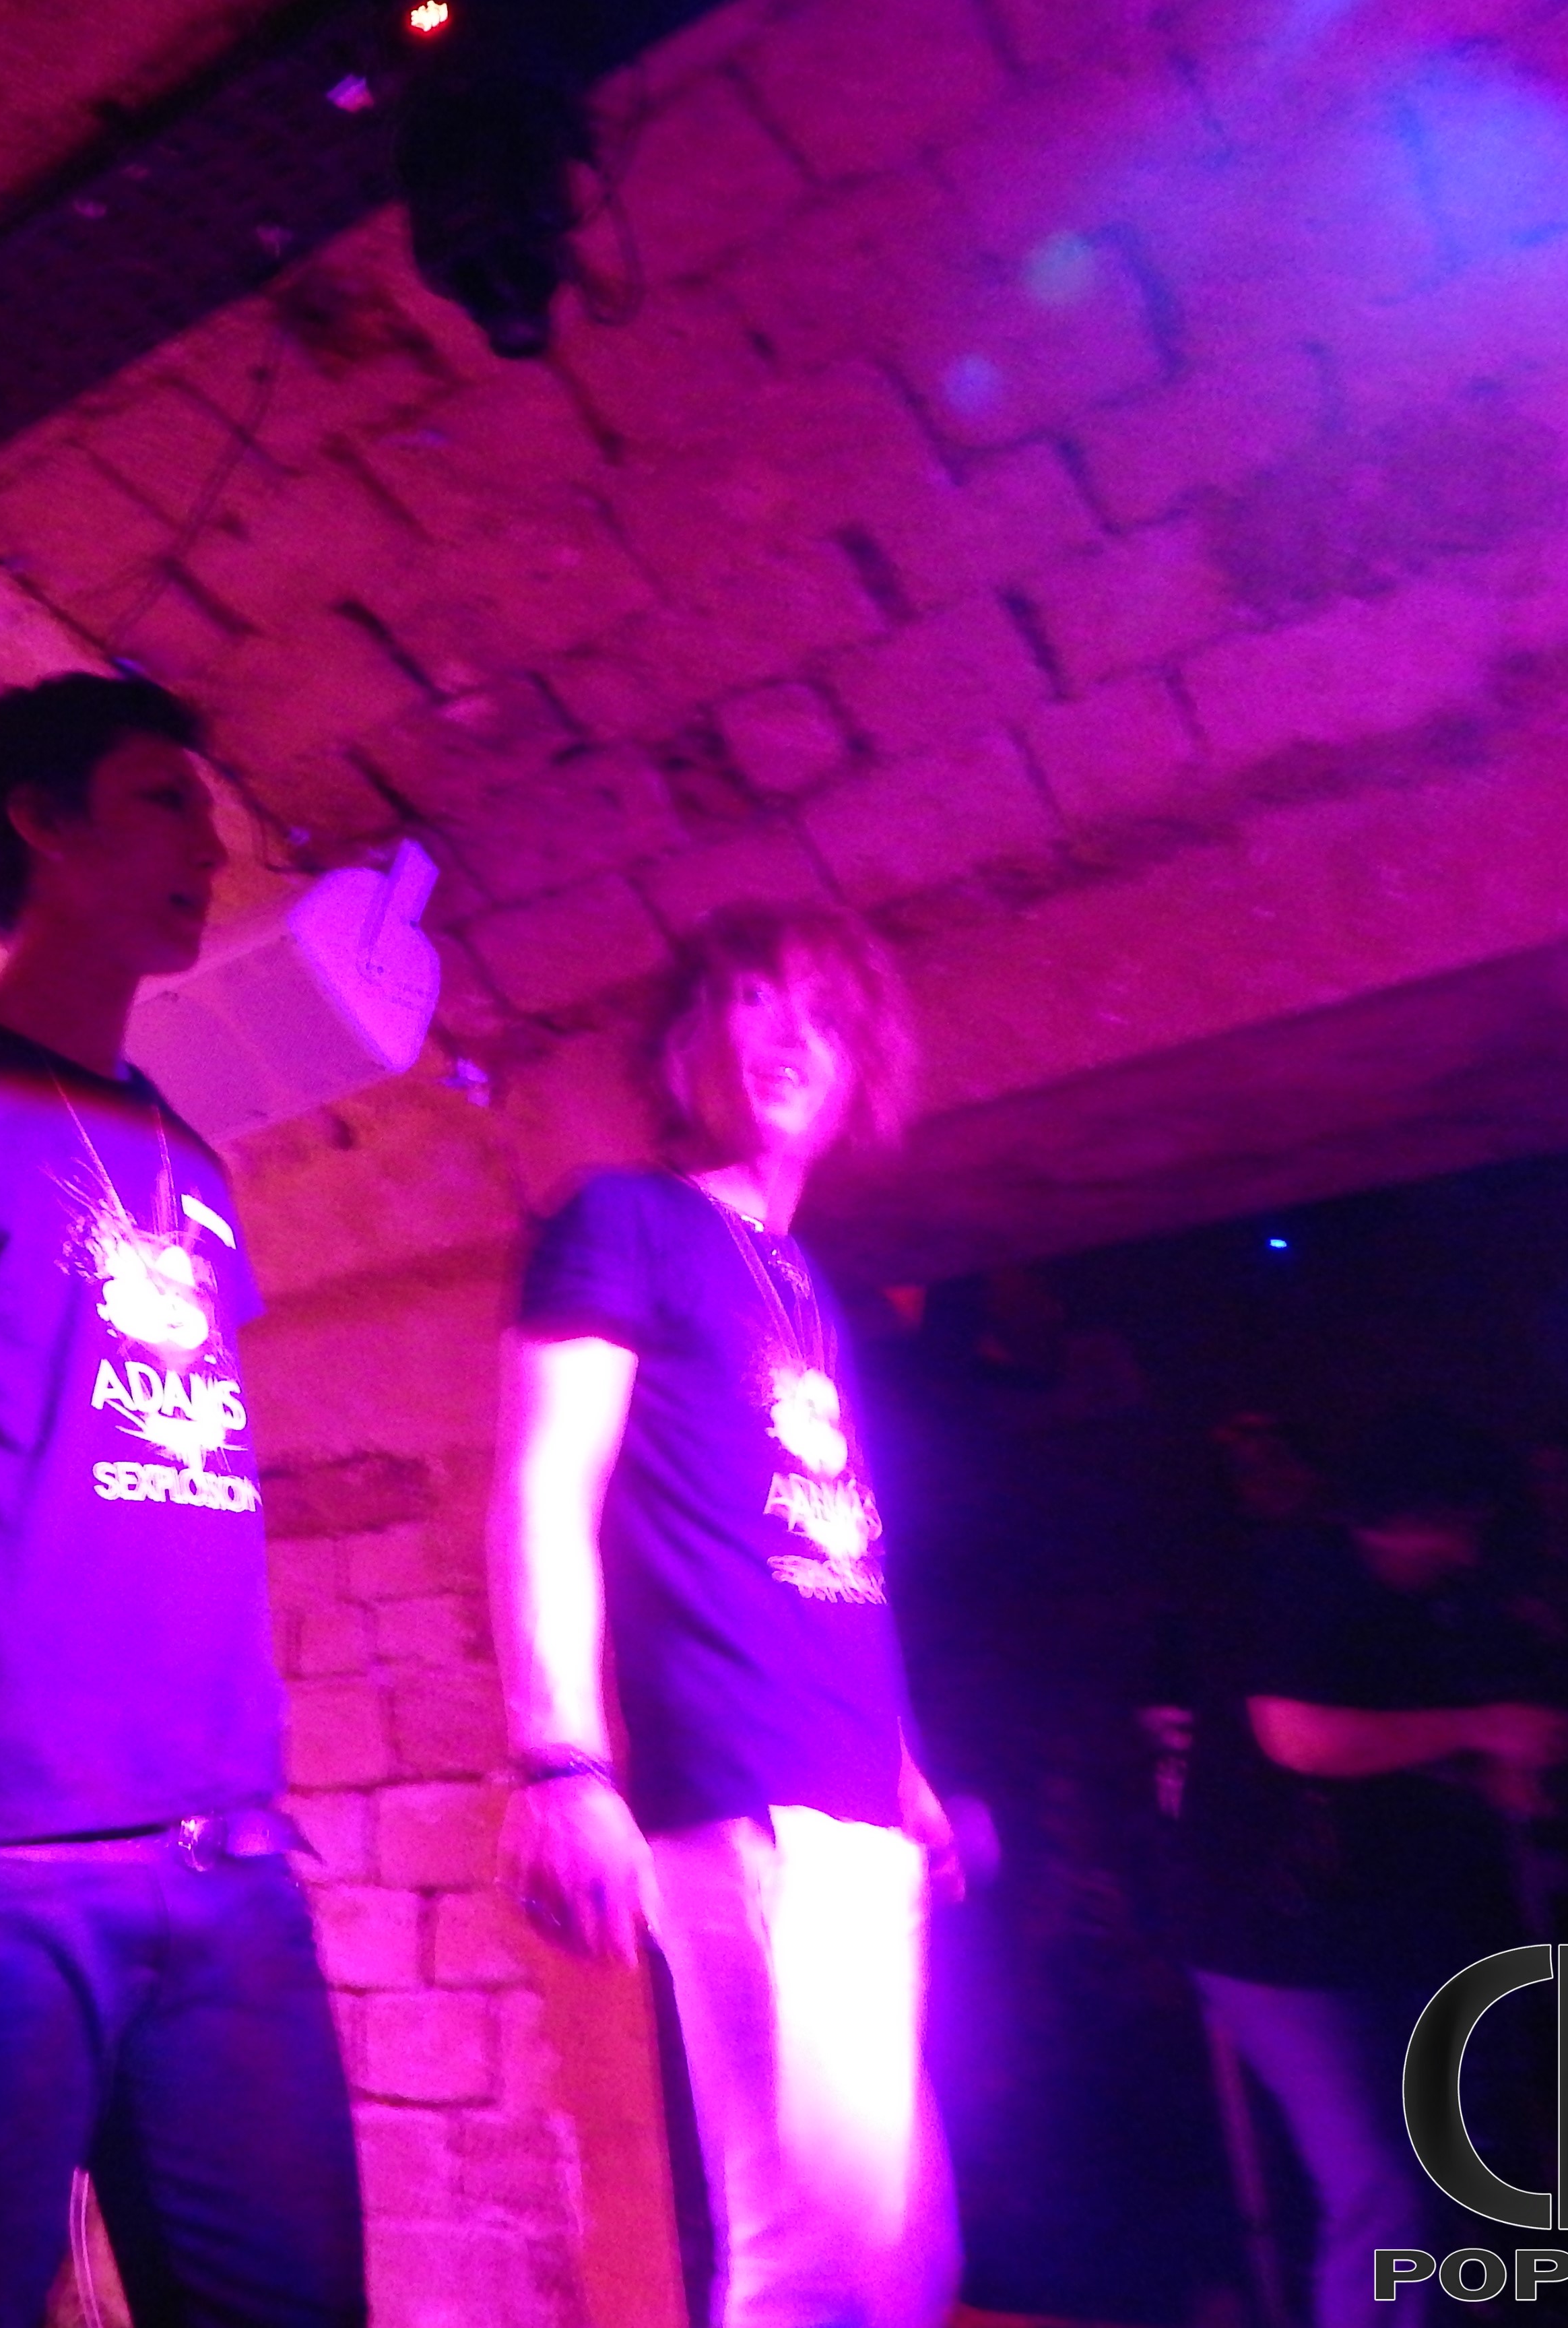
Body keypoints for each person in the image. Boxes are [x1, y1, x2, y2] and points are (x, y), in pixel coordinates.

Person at [0, 674, 366, 2327]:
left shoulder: (196, 1164)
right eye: (164, 801)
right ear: (41, 822)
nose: (212, 848)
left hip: (229, 1858)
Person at [487, 901, 961, 2328]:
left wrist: (904, 1767)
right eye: (753, 1001)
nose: (789, 1037)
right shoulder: (620, 1222)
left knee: (901, 2261)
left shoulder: (806, 1283)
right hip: (749, 1793)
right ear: (685, 1043)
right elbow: (544, 1492)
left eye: (823, 1015)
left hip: (851, 1802)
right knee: (817, 2267)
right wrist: (560, 1764)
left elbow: (829, 1545)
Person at [1171, 1411, 1568, 2328]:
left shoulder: (1426, 1608)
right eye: (1464, 1524)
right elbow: (1299, 1737)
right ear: (1433, 1515)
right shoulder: (1303, 1574)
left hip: (1368, 1926)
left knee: (1437, 2168)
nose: (1470, 1547)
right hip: (1271, 1934)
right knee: (1380, 2185)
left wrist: (1488, 1771)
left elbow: (1393, 1748)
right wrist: (1483, 1730)